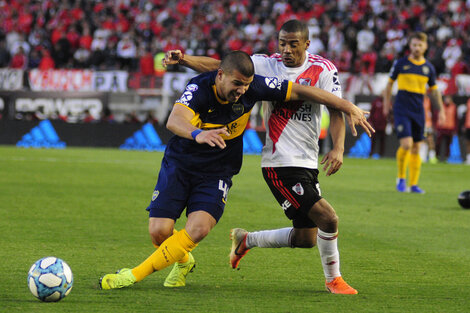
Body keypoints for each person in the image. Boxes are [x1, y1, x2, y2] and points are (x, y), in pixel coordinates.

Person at [99, 51, 373, 291]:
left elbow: (302, 91)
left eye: (246, 85)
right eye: (236, 84)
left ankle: (133, 275)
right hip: (181, 163)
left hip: (218, 170)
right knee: (159, 233)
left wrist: (346, 105)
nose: (242, 90)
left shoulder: (253, 87)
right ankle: (183, 262)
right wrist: (198, 134)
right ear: (219, 76)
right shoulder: (199, 88)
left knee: (198, 229)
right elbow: (175, 120)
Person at [163, 20, 370, 294]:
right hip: (279, 161)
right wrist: (185, 60)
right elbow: (219, 67)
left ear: (306, 44)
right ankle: (334, 280)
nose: (285, 49)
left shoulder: (324, 69)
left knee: (306, 237)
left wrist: (339, 147)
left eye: (293, 44)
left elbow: (334, 109)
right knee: (328, 219)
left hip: (308, 159)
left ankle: (245, 240)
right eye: (282, 43)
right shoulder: (265, 64)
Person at [384, 32, 445, 194]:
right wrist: (386, 104)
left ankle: (414, 184)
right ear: (410, 46)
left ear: (425, 47)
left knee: (417, 148)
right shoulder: (401, 63)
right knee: (406, 144)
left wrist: (441, 110)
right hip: (402, 109)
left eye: (420, 45)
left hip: (419, 110)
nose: (417, 48)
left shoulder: (429, 68)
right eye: (414, 45)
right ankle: (401, 178)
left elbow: (435, 91)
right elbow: (389, 85)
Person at [435, 95, 457, 161]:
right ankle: (439, 156)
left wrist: (455, 129)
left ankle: (445, 157)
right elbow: (436, 116)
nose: (447, 100)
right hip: (441, 128)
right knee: (440, 143)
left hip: (450, 128)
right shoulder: (441, 106)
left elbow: (456, 119)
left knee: (448, 144)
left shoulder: (453, 107)